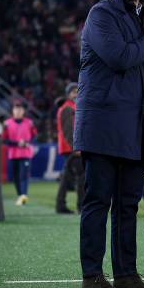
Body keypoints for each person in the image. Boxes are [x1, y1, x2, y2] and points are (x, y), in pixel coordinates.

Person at [74, 0, 144, 288]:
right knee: (98, 201)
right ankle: (92, 277)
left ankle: (126, 274)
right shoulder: (101, 14)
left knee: (128, 205)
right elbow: (120, 58)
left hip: (133, 128)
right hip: (102, 126)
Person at [55, 82, 84, 214]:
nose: (76, 94)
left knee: (66, 178)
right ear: (68, 94)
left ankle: (61, 205)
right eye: (73, 92)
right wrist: (75, 147)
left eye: (77, 91)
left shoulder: (70, 107)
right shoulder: (67, 108)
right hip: (71, 148)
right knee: (81, 176)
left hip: (69, 147)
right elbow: (67, 131)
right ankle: (81, 206)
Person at [2, 102, 37, 206]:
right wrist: (17, 143)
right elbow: (4, 140)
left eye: (20, 109)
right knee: (15, 177)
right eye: (16, 109)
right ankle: (20, 195)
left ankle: (23, 195)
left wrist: (27, 143)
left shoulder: (29, 123)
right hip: (13, 154)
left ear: (23, 111)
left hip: (25, 154)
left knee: (24, 175)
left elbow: (34, 136)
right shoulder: (7, 123)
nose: (18, 111)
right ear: (12, 110)